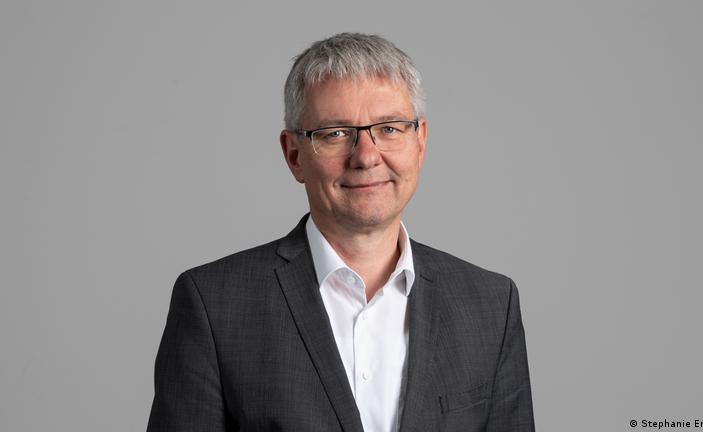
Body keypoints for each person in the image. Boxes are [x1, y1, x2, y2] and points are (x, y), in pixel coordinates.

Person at [146, 32, 534, 432]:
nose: (366, 157)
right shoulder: (214, 304)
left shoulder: (491, 305)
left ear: (420, 143)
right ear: (294, 155)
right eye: (335, 133)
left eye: (389, 129)